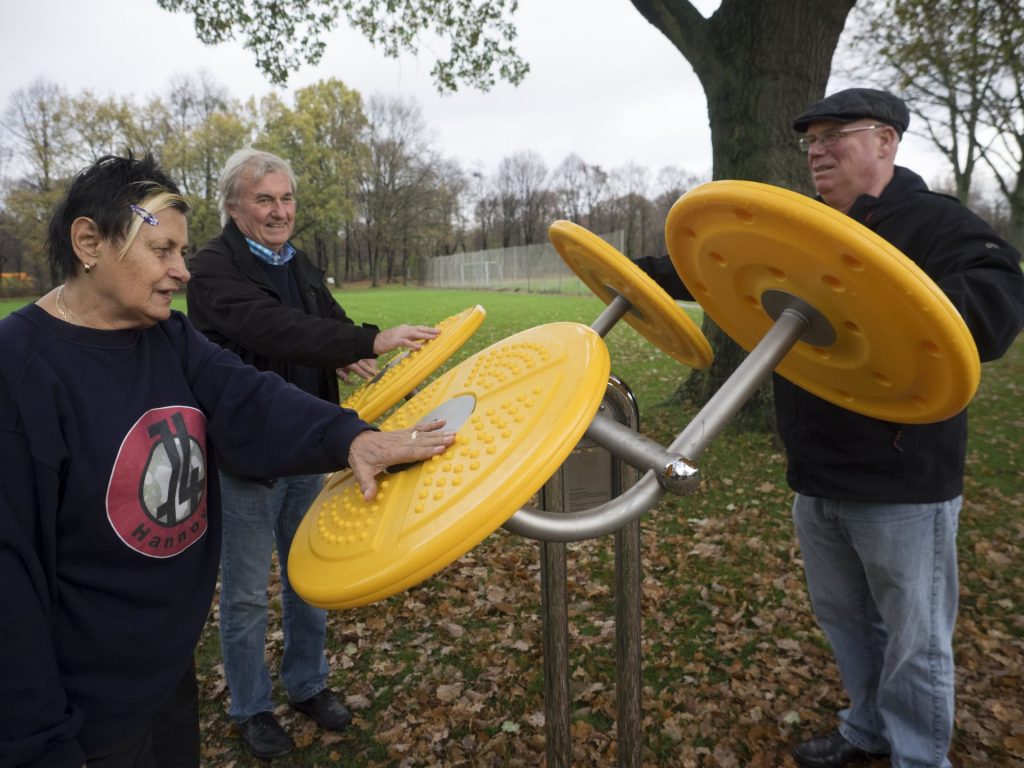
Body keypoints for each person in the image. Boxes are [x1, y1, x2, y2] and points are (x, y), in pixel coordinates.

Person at [0, 154, 454, 768]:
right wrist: (39, 743)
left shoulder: (166, 337)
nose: (181, 272)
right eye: (162, 250)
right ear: (89, 242)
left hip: (167, 672)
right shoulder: (21, 370)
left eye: (181, 252)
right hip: (86, 709)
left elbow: (250, 396)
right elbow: (11, 576)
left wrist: (351, 438)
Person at [640, 88, 1024, 768]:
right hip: (817, 475)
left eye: (835, 134)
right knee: (848, 623)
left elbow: (997, 302)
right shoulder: (806, 230)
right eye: (810, 139)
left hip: (903, 481)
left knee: (914, 640)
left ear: (885, 141)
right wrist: (631, 274)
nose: (817, 149)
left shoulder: (936, 223)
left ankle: (917, 757)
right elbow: (709, 265)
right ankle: (867, 728)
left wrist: (890, 309)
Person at [184, 148, 442, 760]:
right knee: (246, 593)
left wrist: (350, 345)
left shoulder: (297, 262)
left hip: (311, 446)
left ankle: (307, 684)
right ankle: (250, 706)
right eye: (265, 200)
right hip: (247, 455)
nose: (279, 211)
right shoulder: (212, 269)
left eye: (287, 198)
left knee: (310, 576)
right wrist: (364, 338)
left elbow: (322, 318)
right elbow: (273, 328)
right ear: (233, 206)